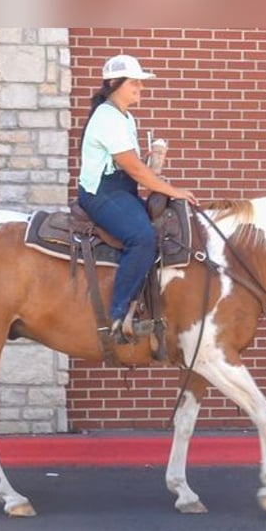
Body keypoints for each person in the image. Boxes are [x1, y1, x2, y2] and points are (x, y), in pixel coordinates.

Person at [77, 54, 197, 342]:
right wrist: (173, 191)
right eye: (134, 83)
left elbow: (133, 167)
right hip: (102, 193)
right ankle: (117, 316)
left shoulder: (125, 117)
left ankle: (144, 308)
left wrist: (153, 164)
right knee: (142, 237)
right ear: (114, 83)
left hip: (122, 189)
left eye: (140, 84)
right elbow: (132, 169)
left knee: (160, 229)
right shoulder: (107, 117)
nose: (140, 89)